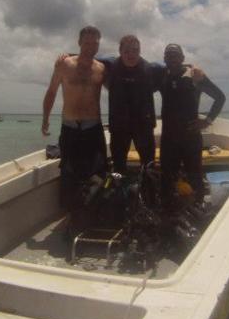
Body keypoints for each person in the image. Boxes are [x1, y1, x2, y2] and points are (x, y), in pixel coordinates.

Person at [42, 26, 108, 224]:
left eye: (94, 42)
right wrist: (45, 119)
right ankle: (72, 217)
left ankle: (93, 212)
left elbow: (120, 88)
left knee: (97, 171)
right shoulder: (64, 65)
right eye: (86, 42)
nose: (90, 46)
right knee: (69, 173)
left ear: (98, 44)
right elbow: (52, 91)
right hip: (70, 127)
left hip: (93, 127)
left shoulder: (102, 68)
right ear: (79, 43)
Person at [158, 43, 225, 210]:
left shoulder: (195, 76)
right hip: (168, 139)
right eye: (169, 55)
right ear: (164, 59)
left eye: (175, 55)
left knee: (195, 178)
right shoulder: (161, 76)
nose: (172, 58)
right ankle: (169, 214)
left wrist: (207, 121)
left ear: (182, 58)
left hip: (190, 138)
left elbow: (220, 97)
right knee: (167, 179)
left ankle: (197, 210)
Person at [101, 35, 163, 174]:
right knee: (118, 167)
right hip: (119, 127)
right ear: (120, 51)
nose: (131, 54)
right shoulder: (111, 65)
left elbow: (172, 65)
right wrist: (67, 56)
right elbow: (86, 57)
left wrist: (191, 66)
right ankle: (120, 194)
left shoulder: (151, 68)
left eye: (135, 50)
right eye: (127, 51)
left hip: (143, 126)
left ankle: (149, 194)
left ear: (140, 50)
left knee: (149, 166)